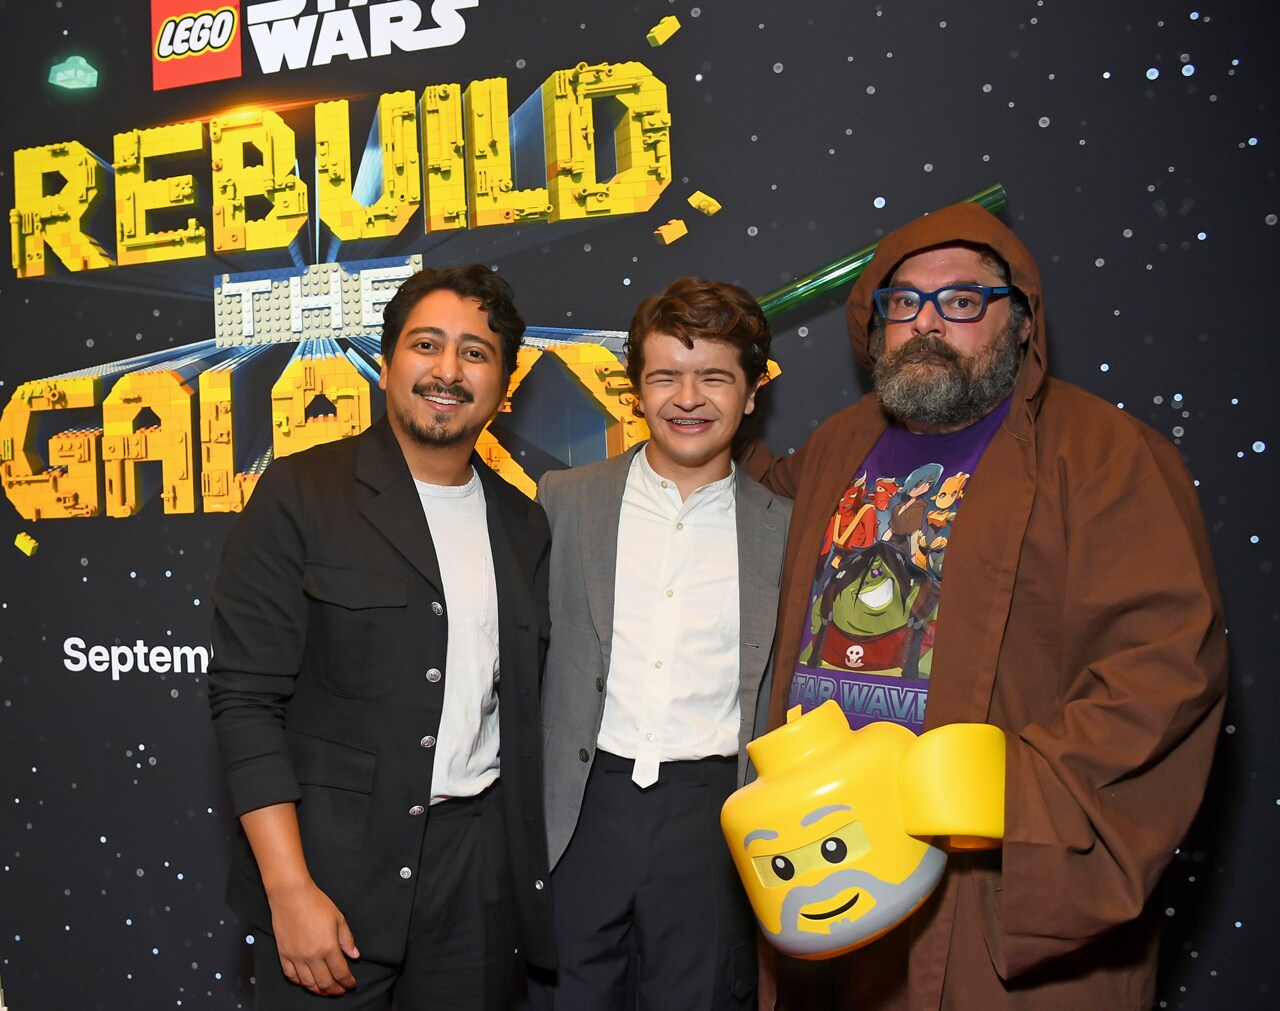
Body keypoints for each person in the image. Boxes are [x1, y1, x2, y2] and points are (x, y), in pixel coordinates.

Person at [740, 202, 1228, 1008]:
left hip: (987, 900)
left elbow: (1165, 668)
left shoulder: (1105, 453)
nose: (928, 322)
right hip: (832, 874)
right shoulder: (839, 443)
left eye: (963, 301)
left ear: (1022, 321)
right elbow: (731, 501)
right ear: (875, 324)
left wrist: (1011, 785)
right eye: (904, 302)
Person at [208, 264, 555, 1009]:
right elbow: (245, 704)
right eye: (427, 344)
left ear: (504, 385)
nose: (447, 370)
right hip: (329, 877)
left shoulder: (524, 524)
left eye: (475, 352)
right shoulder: (301, 494)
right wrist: (290, 888)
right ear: (388, 360)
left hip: (476, 887)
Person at [529, 278, 792, 1009]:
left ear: (750, 392)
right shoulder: (564, 499)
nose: (688, 397)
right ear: (636, 391)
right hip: (583, 808)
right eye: (666, 376)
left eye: (713, 376)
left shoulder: (783, 528)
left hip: (712, 814)